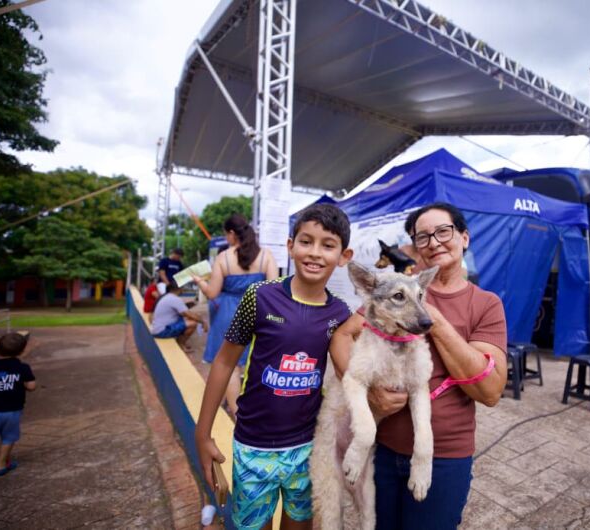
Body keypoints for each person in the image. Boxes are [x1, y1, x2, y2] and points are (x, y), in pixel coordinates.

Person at [330, 202, 507, 530]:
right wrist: (364, 392)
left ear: (464, 237)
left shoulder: (485, 304)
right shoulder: (400, 289)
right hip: (383, 449)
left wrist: (432, 320)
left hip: (443, 456)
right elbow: (342, 337)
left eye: (444, 231)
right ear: (414, 245)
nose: (434, 242)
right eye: (422, 236)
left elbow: (490, 390)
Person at [195, 203, 353, 530]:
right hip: (253, 446)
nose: (315, 253)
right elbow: (224, 362)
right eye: (306, 241)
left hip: (309, 448)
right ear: (290, 245)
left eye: (328, 245)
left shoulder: (341, 314)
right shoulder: (259, 297)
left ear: (344, 256)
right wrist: (202, 433)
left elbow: (350, 375)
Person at [193, 213, 279, 417]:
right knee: (257, 362)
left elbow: (212, 293)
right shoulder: (266, 255)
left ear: (232, 234)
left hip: (229, 314)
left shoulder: (223, 258)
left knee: (230, 366)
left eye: (226, 234)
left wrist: (199, 281)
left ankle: (236, 411)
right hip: (259, 312)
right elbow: (273, 290)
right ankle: (258, 407)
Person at [0, 332, 36, 477]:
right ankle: (0, 465)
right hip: (12, 411)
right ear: (21, 351)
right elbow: (32, 386)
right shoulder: (23, 368)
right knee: (8, 438)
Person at [151, 279, 209, 352]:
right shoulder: (174, 299)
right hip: (162, 331)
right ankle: (180, 344)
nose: (183, 289)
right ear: (179, 288)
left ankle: (180, 342)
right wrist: (203, 322)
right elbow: (188, 314)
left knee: (188, 319)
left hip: (158, 329)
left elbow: (183, 312)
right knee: (193, 323)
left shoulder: (168, 297)